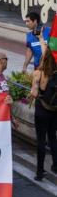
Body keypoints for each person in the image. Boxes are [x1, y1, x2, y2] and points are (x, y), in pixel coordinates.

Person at [29, 50, 57, 181]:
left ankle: (40, 172)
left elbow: (34, 93)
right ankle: (55, 166)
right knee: (53, 137)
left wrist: (35, 86)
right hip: (54, 111)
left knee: (41, 140)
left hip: (42, 110)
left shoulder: (38, 73)